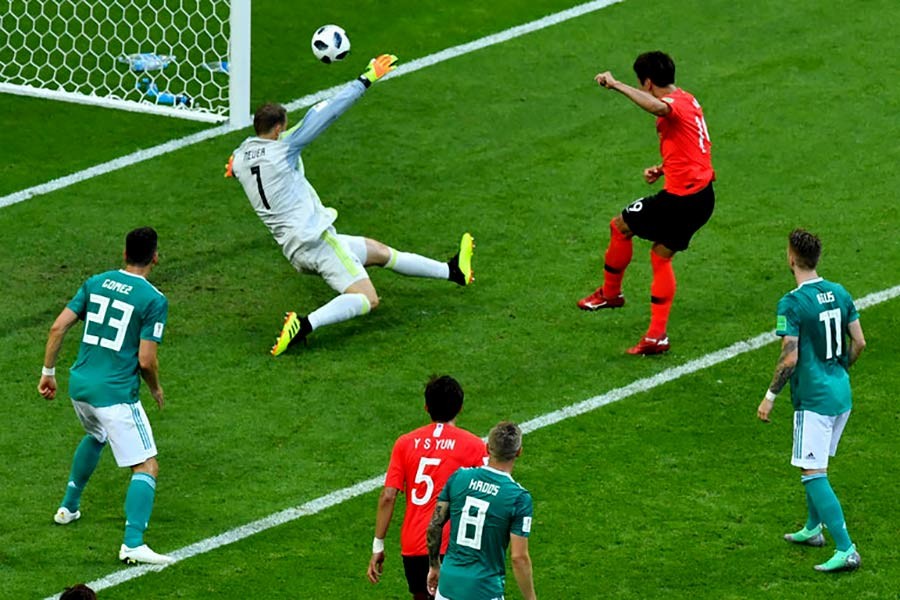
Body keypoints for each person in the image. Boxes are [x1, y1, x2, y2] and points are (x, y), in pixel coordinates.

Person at [227, 54, 474, 356]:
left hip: (294, 249)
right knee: (367, 299)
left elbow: (242, 156)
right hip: (317, 240)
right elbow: (324, 115)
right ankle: (304, 325)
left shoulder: (240, 158)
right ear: (278, 130)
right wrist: (365, 80)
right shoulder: (283, 151)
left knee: (379, 252)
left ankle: (453, 272)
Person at [38, 227, 173, 565]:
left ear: (124, 253)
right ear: (155, 256)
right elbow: (146, 360)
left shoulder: (96, 281)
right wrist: (155, 387)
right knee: (147, 464)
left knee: (95, 434)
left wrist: (48, 372)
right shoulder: (153, 300)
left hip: (79, 386)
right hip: (114, 393)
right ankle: (133, 543)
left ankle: (68, 507)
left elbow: (58, 327)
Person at [577, 51, 715, 355]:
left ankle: (611, 294)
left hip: (681, 199)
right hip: (703, 197)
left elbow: (659, 108)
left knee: (620, 226)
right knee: (660, 257)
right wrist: (664, 168)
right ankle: (656, 336)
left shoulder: (670, 106)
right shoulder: (689, 99)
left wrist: (616, 85)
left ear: (648, 82)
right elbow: (697, 144)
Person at [757, 229, 866, 572]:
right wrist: (838, 370)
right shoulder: (839, 292)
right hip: (840, 394)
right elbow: (859, 342)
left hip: (815, 401)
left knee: (812, 472)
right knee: (816, 464)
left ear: (791, 257)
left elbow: (789, 358)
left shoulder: (791, 302)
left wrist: (770, 396)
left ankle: (846, 548)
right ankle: (812, 529)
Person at [367, 375, 487, 600]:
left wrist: (378, 545)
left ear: (426, 407)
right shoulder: (474, 445)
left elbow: (388, 496)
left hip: (414, 545)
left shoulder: (404, 443)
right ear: (460, 407)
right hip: (453, 545)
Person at [426, 422, 536, 600]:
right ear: (519, 452)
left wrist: (434, 565)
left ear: (487, 448)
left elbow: (434, 525)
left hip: (447, 588)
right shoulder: (518, 497)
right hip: (484, 590)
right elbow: (519, 558)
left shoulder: (459, 477)